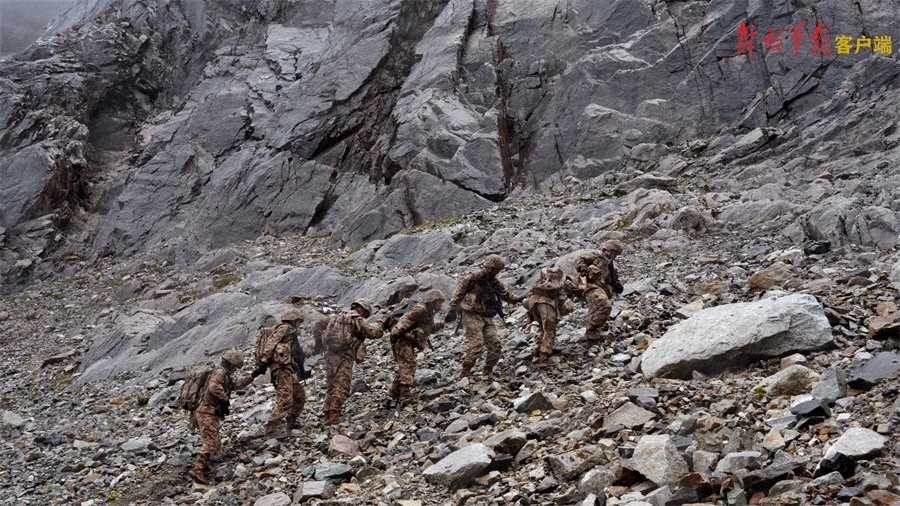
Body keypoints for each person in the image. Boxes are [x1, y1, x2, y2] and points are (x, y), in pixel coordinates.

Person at [188, 349, 260, 484]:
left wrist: (253, 375)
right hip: (206, 411)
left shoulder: (225, 375)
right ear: (231, 364)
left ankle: (205, 465)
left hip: (209, 412)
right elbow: (213, 386)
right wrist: (224, 398)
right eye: (235, 367)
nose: (235, 370)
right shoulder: (220, 372)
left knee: (214, 441)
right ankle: (197, 469)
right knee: (210, 442)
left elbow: (238, 384)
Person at [447, 254, 523, 379]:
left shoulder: (494, 282)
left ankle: (488, 371)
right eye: (497, 270)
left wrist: (519, 299)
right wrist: (452, 308)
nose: (498, 272)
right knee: (477, 343)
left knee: (495, 343)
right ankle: (465, 372)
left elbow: (505, 294)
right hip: (471, 314)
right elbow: (458, 292)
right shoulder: (472, 278)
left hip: (487, 316)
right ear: (490, 268)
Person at [322, 299, 383, 425]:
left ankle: (327, 413)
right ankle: (334, 416)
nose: (364, 316)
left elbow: (326, 336)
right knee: (343, 387)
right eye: (365, 313)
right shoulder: (357, 319)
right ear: (361, 309)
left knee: (331, 385)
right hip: (344, 357)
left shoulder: (336, 317)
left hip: (329, 356)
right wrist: (383, 327)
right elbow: (373, 333)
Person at [255, 308, 307, 439]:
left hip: (288, 369)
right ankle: (270, 430)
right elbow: (271, 343)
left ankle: (291, 421)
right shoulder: (284, 328)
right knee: (285, 400)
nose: (300, 324)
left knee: (299, 395)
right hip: (281, 369)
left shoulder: (292, 333)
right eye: (299, 321)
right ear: (294, 320)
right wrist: (264, 360)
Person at [388, 290, 446, 402]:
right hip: (400, 337)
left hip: (405, 338)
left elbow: (430, 329)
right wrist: (396, 332)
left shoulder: (429, 313)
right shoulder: (421, 309)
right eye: (439, 302)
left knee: (405, 364)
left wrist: (442, 324)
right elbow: (406, 319)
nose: (441, 305)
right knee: (409, 363)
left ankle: (394, 391)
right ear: (432, 301)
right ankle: (404, 392)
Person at [524, 266, 576, 365]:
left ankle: (538, 350)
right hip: (546, 305)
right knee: (549, 330)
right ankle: (544, 357)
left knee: (543, 329)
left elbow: (530, 294)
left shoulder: (540, 283)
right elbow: (565, 297)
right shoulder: (561, 282)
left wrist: (530, 316)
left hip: (533, 302)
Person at [575, 240, 624, 341]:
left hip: (601, 289)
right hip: (591, 286)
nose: (616, 256)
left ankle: (590, 336)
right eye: (615, 253)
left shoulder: (611, 266)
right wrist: (583, 269)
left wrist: (616, 286)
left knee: (594, 310)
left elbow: (609, 280)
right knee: (605, 305)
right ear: (610, 250)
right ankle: (591, 331)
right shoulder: (597, 256)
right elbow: (580, 259)